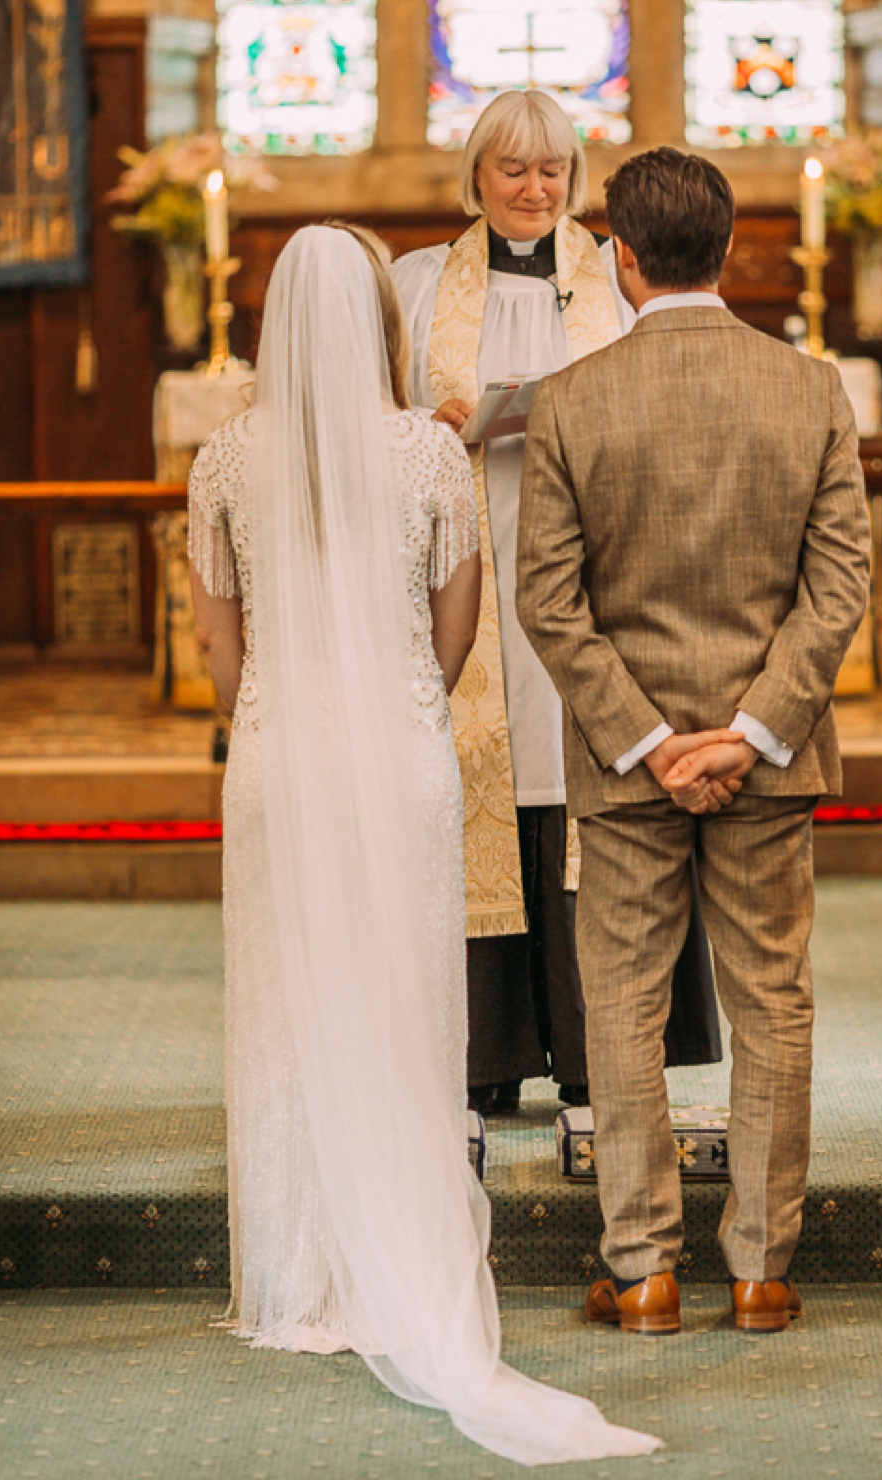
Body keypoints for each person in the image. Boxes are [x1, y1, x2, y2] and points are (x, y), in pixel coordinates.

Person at [186, 223, 658, 1463]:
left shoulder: (224, 459)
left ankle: (294, 1278)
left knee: (289, 995)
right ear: (381, 325)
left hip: (280, 754)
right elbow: (460, 630)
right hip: (403, 754)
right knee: (401, 992)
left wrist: (275, 711)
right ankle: (402, 1255)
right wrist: (400, 696)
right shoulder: (432, 455)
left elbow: (219, 645)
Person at [516, 147, 872, 1337]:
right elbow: (840, 586)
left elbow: (550, 604)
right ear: (729, 249)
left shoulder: (571, 402)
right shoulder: (811, 389)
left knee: (619, 1001)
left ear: (620, 257)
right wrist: (754, 730)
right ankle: (763, 1270)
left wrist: (653, 743)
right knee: (773, 999)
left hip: (629, 772)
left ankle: (646, 1268)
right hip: (767, 764)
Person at [394, 90, 721, 1114]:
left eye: (554, 173)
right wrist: (430, 424)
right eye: (514, 171)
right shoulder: (415, 286)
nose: (536, 191)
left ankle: (595, 1055)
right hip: (469, 573)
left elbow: (671, 398)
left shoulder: (620, 281)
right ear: (476, 177)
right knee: (484, 775)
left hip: (594, 575)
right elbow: (377, 422)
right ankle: (485, 1055)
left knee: (583, 783)